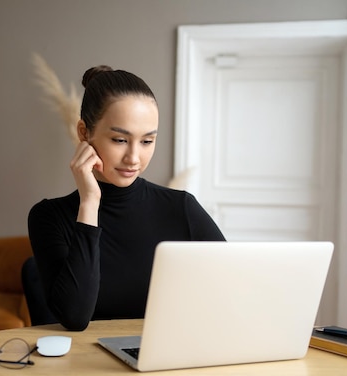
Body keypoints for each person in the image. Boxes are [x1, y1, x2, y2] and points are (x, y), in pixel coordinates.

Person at [28, 65, 225, 331]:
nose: (134, 158)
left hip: (166, 361)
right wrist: (89, 203)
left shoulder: (182, 208)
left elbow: (232, 290)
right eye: (120, 140)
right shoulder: (49, 217)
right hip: (86, 368)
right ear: (84, 133)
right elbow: (75, 317)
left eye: (147, 142)